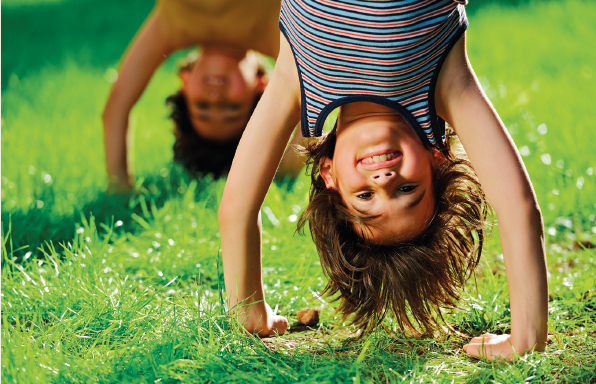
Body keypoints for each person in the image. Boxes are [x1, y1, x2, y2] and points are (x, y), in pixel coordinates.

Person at [218, 0, 548, 361]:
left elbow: (237, 208)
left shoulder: (295, 80)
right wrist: (526, 337)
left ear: (329, 173)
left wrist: (248, 310)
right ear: (435, 161)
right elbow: (518, 207)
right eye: (407, 190)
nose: (384, 179)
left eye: (365, 195)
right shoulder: (446, 84)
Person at [102, 0, 303, 191]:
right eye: (232, 107)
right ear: (262, 87)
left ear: (185, 82)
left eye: (202, 106)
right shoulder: (276, 35)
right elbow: (314, 113)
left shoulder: (172, 27)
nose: (215, 98)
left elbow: (116, 109)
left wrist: (119, 187)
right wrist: (285, 170)